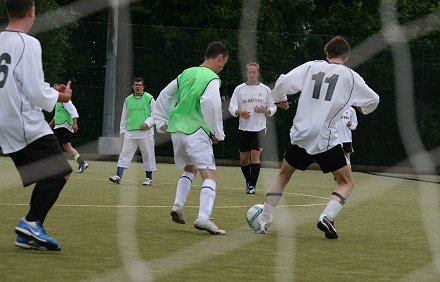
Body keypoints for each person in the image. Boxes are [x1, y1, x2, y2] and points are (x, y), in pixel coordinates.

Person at [255, 36, 380, 239]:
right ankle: (327, 216)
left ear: (327, 54)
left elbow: (283, 82)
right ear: (346, 57)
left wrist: (280, 99)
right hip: (326, 137)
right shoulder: (350, 76)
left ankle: (263, 221)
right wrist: (362, 107)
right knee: (346, 182)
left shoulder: (312, 66)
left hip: (301, 134)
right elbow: (374, 100)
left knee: (283, 176)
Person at [0, 0, 73, 251]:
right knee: (60, 171)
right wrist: (62, 97)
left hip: (5, 121)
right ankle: (31, 223)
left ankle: (29, 229)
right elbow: (35, 92)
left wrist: (48, 90)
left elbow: (18, 83)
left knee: (49, 173)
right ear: (32, 11)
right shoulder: (28, 42)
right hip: (24, 123)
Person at [153, 41, 228, 235]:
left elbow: (164, 95)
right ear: (220, 57)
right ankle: (204, 217)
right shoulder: (211, 78)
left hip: (177, 132)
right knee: (210, 175)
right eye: (223, 64)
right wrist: (217, 132)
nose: (222, 68)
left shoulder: (186, 73)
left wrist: (161, 121)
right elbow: (211, 103)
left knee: (190, 167)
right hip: (196, 131)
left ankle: (178, 205)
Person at [228, 62, 277, 194]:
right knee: (244, 159)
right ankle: (248, 180)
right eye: (249, 72)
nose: (252, 74)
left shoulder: (266, 90)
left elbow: (273, 107)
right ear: (246, 73)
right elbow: (231, 107)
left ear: (258, 73)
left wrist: (266, 110)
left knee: (255, 155)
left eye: (254, 72)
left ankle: (252, 186)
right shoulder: (239, 89)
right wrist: (239, 112)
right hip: (244, 129)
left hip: (259, 129)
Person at [109, 77, 156, 186]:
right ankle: (118, 176)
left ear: (143, 87)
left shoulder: (149, 98)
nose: (138, 87)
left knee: (147, 155)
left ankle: (148, 178)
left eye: (140, 85)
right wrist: (122, 131)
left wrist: (147, 123)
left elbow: (155, 114)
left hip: (146, 133)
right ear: (132, 86)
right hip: (130, 133)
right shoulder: (128, 100)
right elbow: (124, 117)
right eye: (136, 85)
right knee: (124, 154)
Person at [49, 88, 89, 173]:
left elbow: (74, 111)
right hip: (61, 126)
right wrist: (50, 124)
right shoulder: (59, 102)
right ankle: (82, 163)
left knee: (52, 144)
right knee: (67, 147)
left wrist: (75, 123)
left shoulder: (65, 100)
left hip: (63, 127)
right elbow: (57, 116)